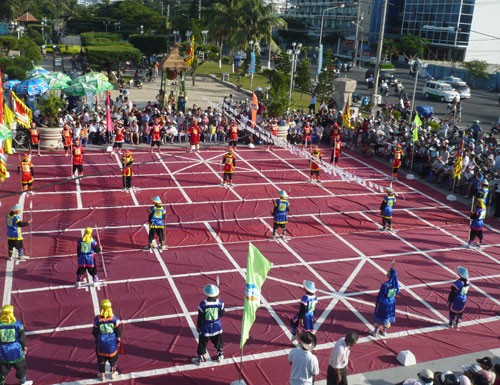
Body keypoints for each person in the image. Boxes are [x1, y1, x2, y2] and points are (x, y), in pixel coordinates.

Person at [192, 284, 225, 365]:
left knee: (202, 343)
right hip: (217, 327)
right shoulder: (220, 303)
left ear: (206, 294)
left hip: (205, 327)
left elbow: (200, 317)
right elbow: (223, 313)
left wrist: (198, 326)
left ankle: (199, 359)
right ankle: (220, 356)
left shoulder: (202, 304)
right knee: (218, 342)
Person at [0, 304, 33, 385]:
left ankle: (1, 382)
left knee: (3, 369)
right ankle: (23, 382)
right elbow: (22, 338)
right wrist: (24, 347)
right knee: (21, 367)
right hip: (16, 351)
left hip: (2, 352)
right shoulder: (18, 324)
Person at [93, 299, 122, 381]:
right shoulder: (114, 318)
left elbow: (95, 332)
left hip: (101, 342)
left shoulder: (97, 319)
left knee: (101, 359)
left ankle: (102, 374)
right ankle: (113, 373)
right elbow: (118, 331)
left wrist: (96, 339)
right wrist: (118, 340)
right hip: (112, 343)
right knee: (113, 359)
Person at [371, 261, 400, 337]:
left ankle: (375, 332)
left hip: (383, 302)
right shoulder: (395, 285)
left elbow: (380, 294)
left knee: (379, 316)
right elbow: (397, 292)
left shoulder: (384, 285)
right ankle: (384, 331)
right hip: (391, 302)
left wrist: (377, 301)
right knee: (387, 317)